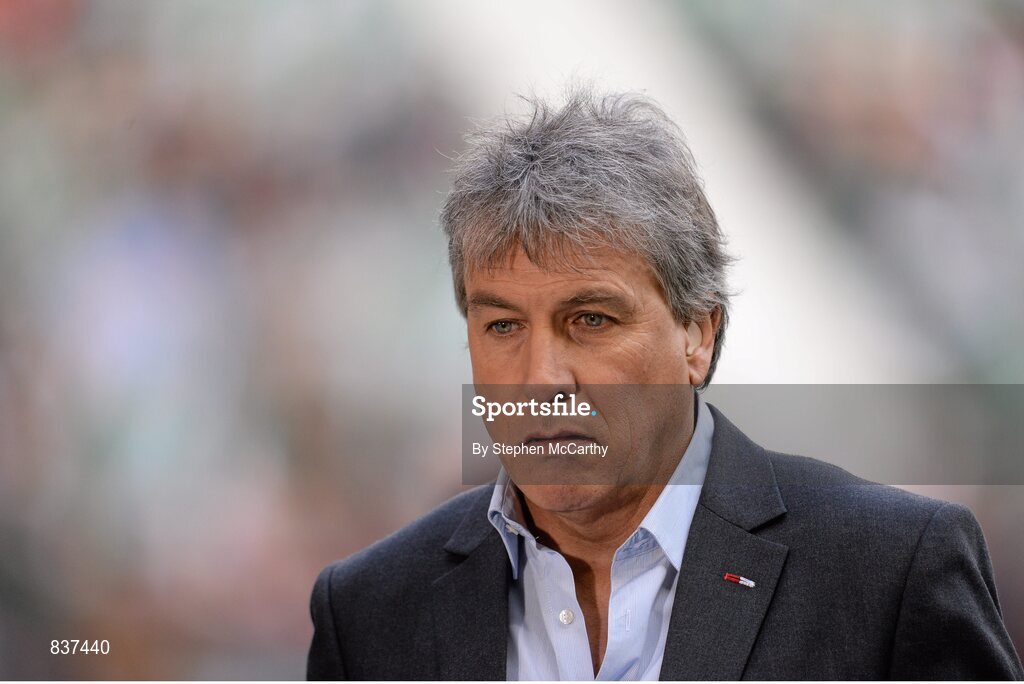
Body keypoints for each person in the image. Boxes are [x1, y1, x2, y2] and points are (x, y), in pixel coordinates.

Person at [307, 88, 1023, 680]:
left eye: (589, 319)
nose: (541, 378)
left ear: (698, 334)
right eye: (502, 327)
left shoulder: (886, 572)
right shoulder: (370, 612)